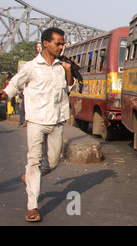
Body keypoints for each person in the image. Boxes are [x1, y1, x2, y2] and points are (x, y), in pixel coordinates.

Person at [0, 27, 75, 222]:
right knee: (33, 161)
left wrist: (68, 71)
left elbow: (69, 85)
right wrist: (5, 94)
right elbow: (15, 84)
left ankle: (29, 177)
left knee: (53, 162)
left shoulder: (62, 66)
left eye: (62, 43)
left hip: (57, 120)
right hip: (36, 121)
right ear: (45, 44)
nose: (61, 47)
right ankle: (32, 206)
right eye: (58, 43)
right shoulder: (31, 67)